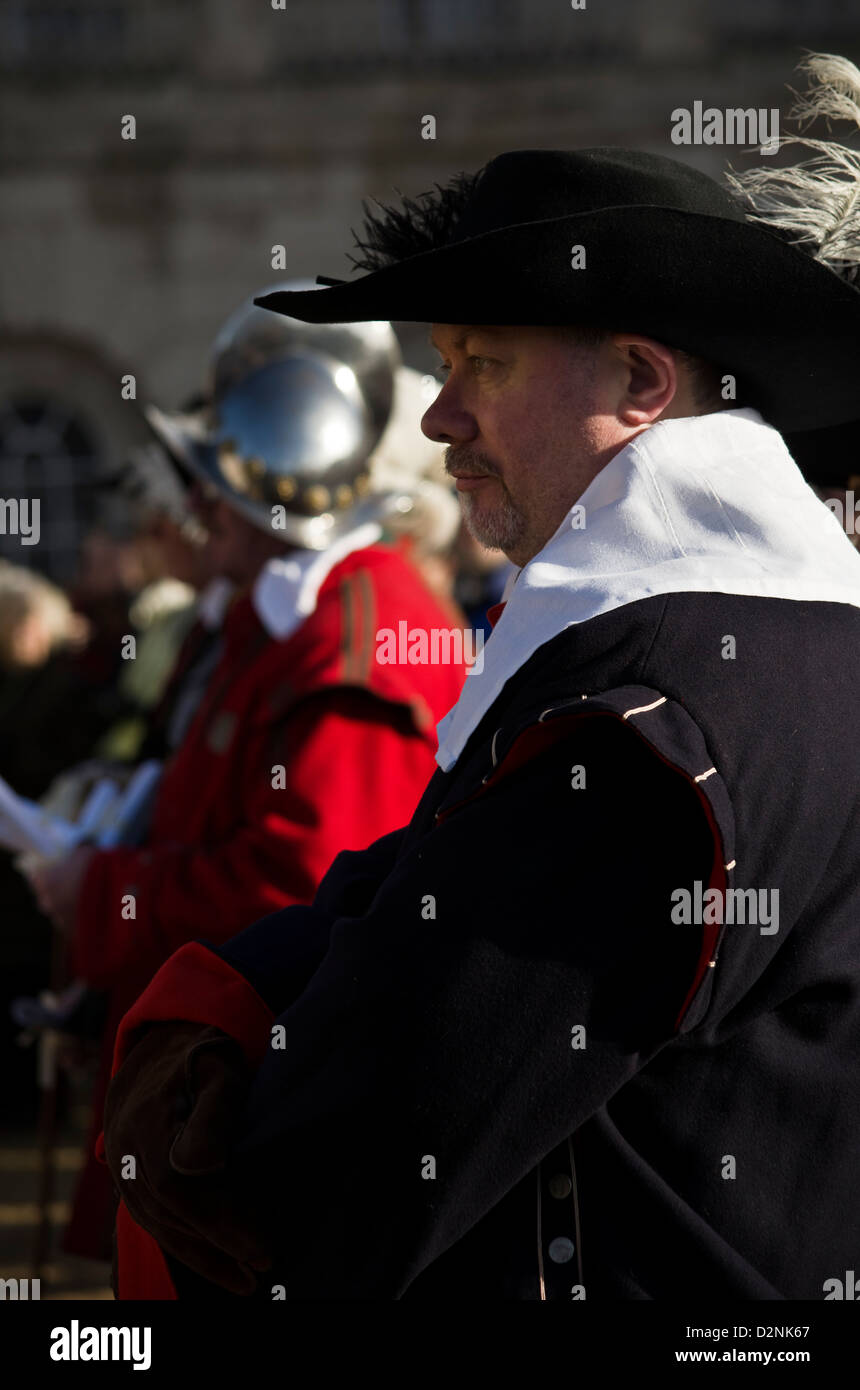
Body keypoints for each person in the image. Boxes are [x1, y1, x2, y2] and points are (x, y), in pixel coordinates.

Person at [102, 81, 860, 1299]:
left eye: (482, 365)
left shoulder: (639, 729)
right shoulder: (781, 647)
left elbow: (381, 1131)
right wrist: (240, 986)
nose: (442, 415)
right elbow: (424, 877)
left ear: (639, 382)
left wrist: (219, 1115)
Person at [29, 294, 468, 1262]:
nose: (192, 511)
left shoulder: (351, 630)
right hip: (210, 1082)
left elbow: (296, 883)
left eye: (215, 485)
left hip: (254, 1109)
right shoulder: (299, 617)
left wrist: (101, 893)